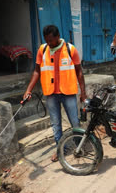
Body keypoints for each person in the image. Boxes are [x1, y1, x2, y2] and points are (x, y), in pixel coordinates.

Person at [23, 25, 86, 162]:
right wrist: (28, 90)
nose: (49, 44)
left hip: (68, 92)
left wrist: (83, 92)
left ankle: (79, 146)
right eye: (47, 40)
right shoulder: (42, 49)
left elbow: (79, 72)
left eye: (51, 40)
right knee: (55, 124)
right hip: (50, 93)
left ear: (57, 37)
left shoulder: (70, 49)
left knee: (75, 122)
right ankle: (60, 150)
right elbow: (36, 71)